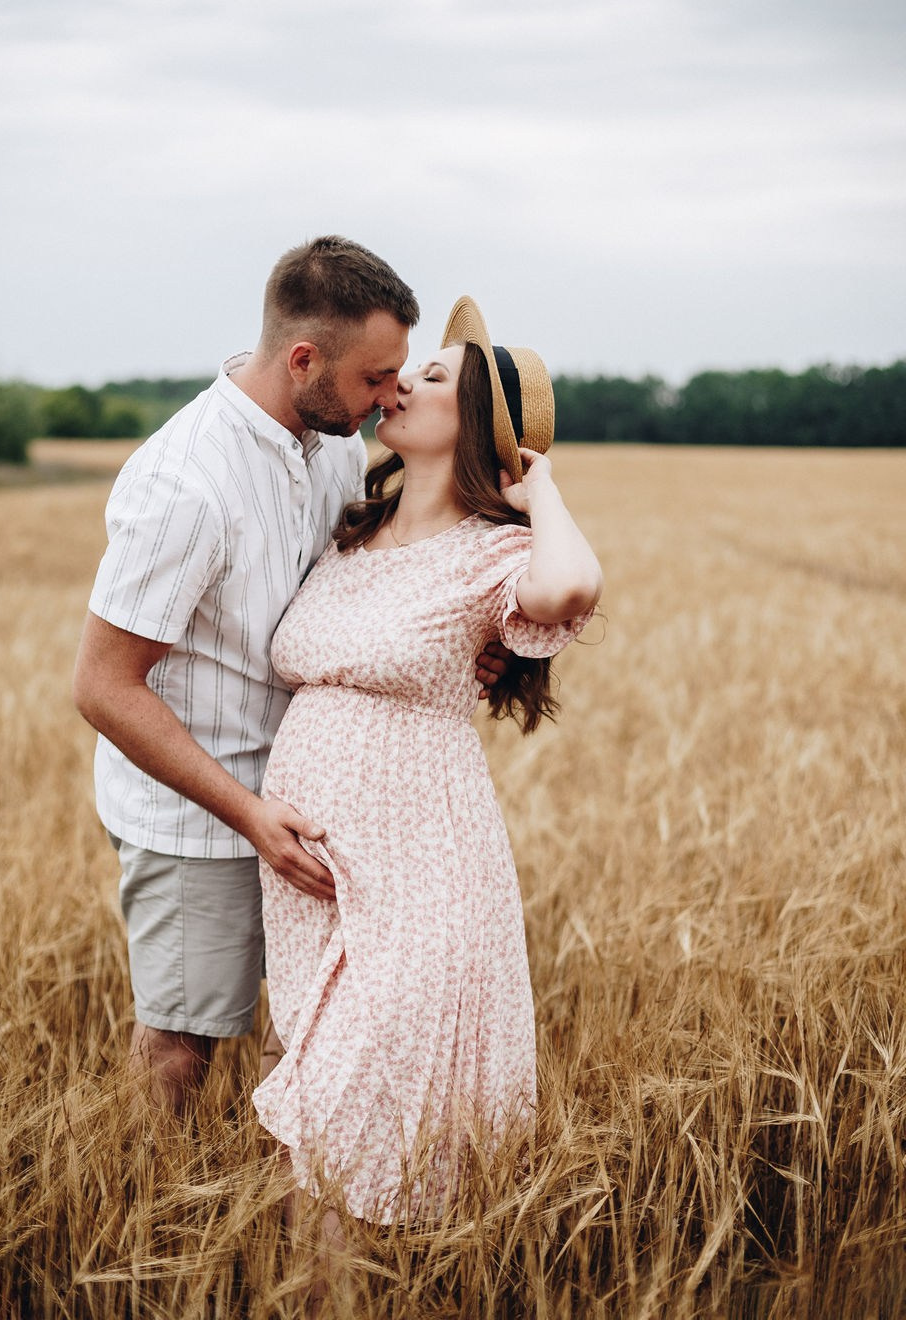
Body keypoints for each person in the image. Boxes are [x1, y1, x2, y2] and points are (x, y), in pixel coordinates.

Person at [72, 237, 506, 1113]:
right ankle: (152, 1217)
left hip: (318, 812)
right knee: (183, 1047)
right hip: (206, 811)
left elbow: (370, 583)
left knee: (321, 1030)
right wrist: (249, 816)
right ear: (304, 359)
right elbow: (103, 686)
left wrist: (466, 643)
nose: (393, 395)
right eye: (377, 377)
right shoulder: (186, 483)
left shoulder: (335, 443)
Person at [252, 296, 603, 1240]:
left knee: (360, 1121)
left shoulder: (494, 554)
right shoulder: (346, 530)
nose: (403, 381)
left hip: (424, 877)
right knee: (320, 1132)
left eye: (435, 376)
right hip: (316, 875)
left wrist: (541, 491)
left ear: (481, 427)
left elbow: (568, 589)